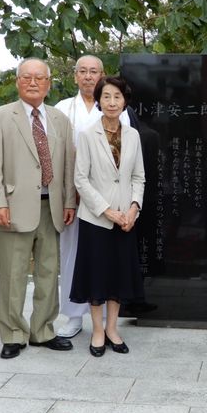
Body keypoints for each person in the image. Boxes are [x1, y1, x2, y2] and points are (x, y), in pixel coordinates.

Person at [0, 57, 77, 359]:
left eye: (40, 78)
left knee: (50, 273)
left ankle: (43, 330)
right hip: (14, 208)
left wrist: (69, 201)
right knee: (14, 274)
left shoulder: (60, 119)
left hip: (52, 207)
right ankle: (12, 334)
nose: (33, 82)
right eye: (27, 77)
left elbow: (67, 165)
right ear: (17, 81)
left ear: (49, 83)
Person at [54, 55, 131, 339]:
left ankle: (107, 323)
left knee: (104, 259)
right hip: (73, 195)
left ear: (102, 75)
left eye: (94, 71)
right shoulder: (62, 109)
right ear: (74, 76)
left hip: (111, 200)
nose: (88, 76)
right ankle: (74, 316)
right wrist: (68, 197)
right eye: (82, 71)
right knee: (71, 253)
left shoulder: (118, 111)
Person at [70, 75, 145, 357]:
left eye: (117, 97)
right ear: (98, 101)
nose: (112, 102)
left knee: (118, 276)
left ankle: (113, 328)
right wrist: (107, 211)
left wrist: (134, 209)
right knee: (97, 277)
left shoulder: (133, 135)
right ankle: (98, 331)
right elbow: (81, 180)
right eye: (106, 97)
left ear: (125, 101)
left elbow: (139, 176)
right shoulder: (88, 135)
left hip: (126, 219)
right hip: (96, 219)